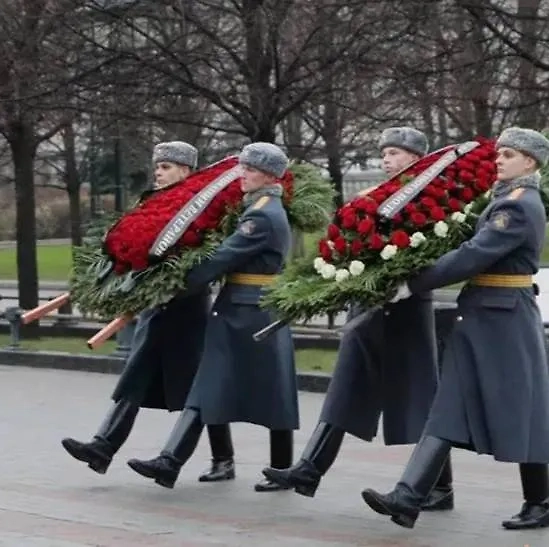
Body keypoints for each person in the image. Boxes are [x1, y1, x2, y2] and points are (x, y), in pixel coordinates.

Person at [361, 127, 549, 530]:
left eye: (509, 155)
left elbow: (474, 254)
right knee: (448, 405)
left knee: (523, 409)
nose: (498, 160)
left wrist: (413, 282)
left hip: (504, 319)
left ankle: (541, 500)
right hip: (483, 315)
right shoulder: (503, 199)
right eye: (499, 154)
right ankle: (409, 497)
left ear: (530, 163)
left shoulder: (519, 205)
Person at [262, 127, 454, 510]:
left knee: (421, 398)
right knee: (345, 388)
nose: (386, 159)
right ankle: (309, 469)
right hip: (366, 307)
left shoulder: (435, 199)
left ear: (417, 158)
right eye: (384, 153)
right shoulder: (371, 198)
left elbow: (433, 250)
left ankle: (440, 489)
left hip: (405, 308)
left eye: (396, 153)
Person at [126, 142, 298, 492]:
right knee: (213, 384)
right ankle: (173, 462)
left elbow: (222, 257)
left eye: (248, 170)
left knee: (268, 391)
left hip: (251, 311)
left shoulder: (262, 214)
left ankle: (278, 467)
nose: (241, 176)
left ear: (267, 175)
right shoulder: (259, 207)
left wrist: (173, 281)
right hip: (244, 308)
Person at [61, 141, 235, 482]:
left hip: (188, 307)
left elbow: (207, 255)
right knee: (135, 375)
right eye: (158, 166)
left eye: (167, 166)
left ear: (186, 171)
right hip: (155, 306)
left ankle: (223, 458)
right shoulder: (152, 203)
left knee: (199, 386)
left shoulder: (204, 206)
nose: (158, 172)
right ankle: (102, 447)